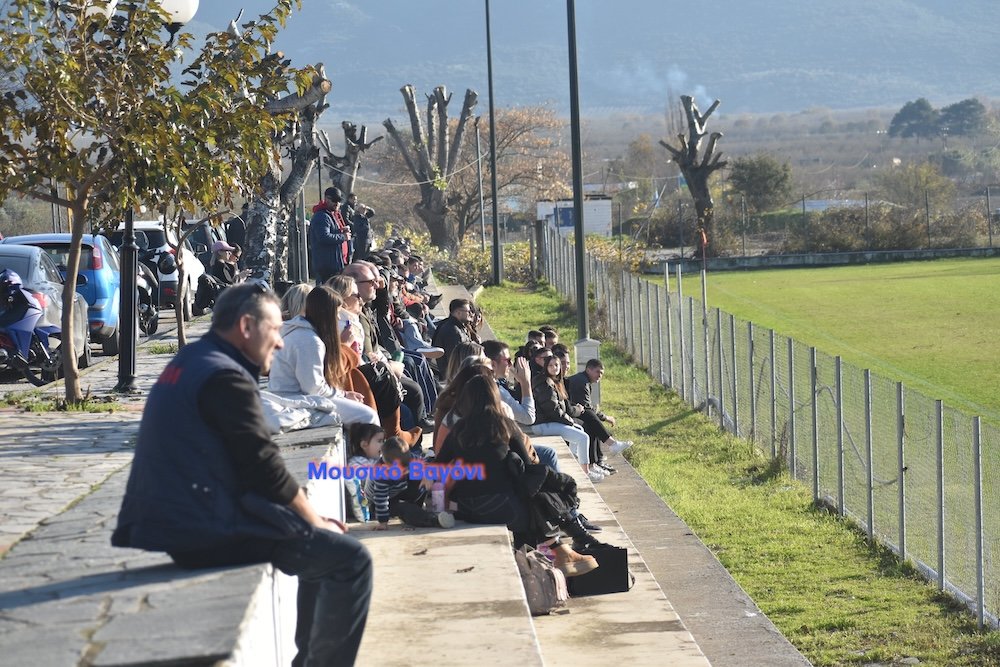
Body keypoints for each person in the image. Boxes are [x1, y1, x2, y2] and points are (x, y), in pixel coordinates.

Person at [111, 283, 372, 667]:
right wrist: (311, 518)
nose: (280, 343)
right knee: (350, 560)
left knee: (319, 548)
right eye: (274, 330)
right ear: (247, 326)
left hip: (184, 513)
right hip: (199, 526)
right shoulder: (224, 377)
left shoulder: (193, 361)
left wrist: (303, 522)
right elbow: (262, 464)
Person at [435, 375, 599, 577]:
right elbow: (530, 467)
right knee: (531, 494)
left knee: (525, 499)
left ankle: (550, 557)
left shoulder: (459, 429)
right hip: (502, 507)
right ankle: (554, 555)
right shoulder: (505, 426)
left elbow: (438, 467)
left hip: (466, 508)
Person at [268, 285, 380, 427]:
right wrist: (344, 395)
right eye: (337, 312)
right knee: (367, 416)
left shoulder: (300, 332)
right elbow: (313, 388)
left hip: (291, 396)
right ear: (327, 314)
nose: (338, 317)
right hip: (294, 401)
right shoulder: (309, 341)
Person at [529, 348, 604, 483]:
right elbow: (553, 410)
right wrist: (569, 421)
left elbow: (564, 407)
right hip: (542, 424)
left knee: (580, 430)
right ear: (546, 367)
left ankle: (575, 466)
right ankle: (585, 473)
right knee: (583, 437)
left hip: (551, 422)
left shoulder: (556, 382)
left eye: (557, 365)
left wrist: (571, 418)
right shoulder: (544, 383)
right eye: (551, 365)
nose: (554, 368)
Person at [365, 436, 455, 531]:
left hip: (399, 489)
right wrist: (382, 522)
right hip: (379, 503)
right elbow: (381, 499)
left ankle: (416, 507)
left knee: (425, 477)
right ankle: (433, 520)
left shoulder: (410, 459)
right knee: (404, 508)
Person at [565, 357, 633, 473]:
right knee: (591, 422)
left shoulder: (583, 380)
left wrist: (603, 417)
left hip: (572, 411)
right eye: (597, 372)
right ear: (588, 370)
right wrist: (605, 417)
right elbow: (585, 407)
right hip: (567, 413)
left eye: (601, 373)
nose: (600, 376)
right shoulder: (581, 382)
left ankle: (596, 462)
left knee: (592, 422)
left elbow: (586, 407)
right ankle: (608, 448)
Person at [309, 186, 351, 284]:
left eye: (339, 201)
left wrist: (341, 231)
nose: (337, 204)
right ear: (327, 199)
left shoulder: (332, 214)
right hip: (327, 266)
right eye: (334, 200)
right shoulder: (322, 216)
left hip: (336, 264)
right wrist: (343, 237)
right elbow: (323, 237)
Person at [432, 298, 473, 372]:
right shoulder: (453, 332)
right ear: (458, 313)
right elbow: (454, 360)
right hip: (454, 375)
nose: (471, 314)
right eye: (468, 311)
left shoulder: (452, 325)